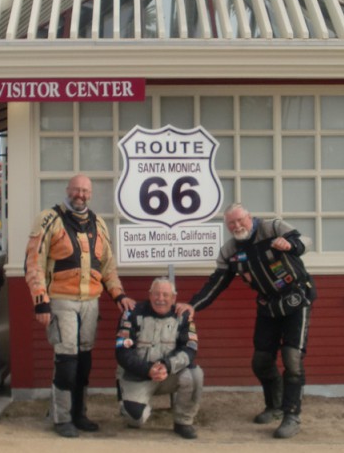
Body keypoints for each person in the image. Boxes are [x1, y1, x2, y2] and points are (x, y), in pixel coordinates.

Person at [180, 203, 316, 439]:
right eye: (231, 223)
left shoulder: (272, 227)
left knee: (292, 358)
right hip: (268, 306)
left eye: (240, 220)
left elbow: (304, 241)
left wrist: (291, 244)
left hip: (296, 300)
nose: (237, 226)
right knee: (261, 361)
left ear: (250, 217)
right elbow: (216, 283)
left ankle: (291, 415)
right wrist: (193, 305)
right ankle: (274, 406)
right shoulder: (229, 250)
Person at [24, 173, 136, 438]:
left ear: (91, 194)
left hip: (91, 303)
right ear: (67, 190)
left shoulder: (99, 224)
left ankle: (79, 413)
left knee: (84, 362)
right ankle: (61, 417)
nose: (80, 195)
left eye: (85, 191)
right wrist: (40, 302)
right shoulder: (48, 219)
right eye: (76, 190)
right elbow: (33, 263)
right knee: (66, 361)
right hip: (61, 301)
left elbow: (108, 267)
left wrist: (119, 295)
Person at [116, 278, 204, 440]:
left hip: (168, 374)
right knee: (135, 418)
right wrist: (148, 369)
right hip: (139, 375)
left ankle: (183, 421)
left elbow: (190, 349)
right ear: (149, 295)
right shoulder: (132, 313)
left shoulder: (183, 316)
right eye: (156, 294)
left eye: (165, 295)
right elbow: (122, 353)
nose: (160, 299)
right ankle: (131, 403)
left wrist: (167, 365)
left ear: (174, 298)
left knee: (195, 374)